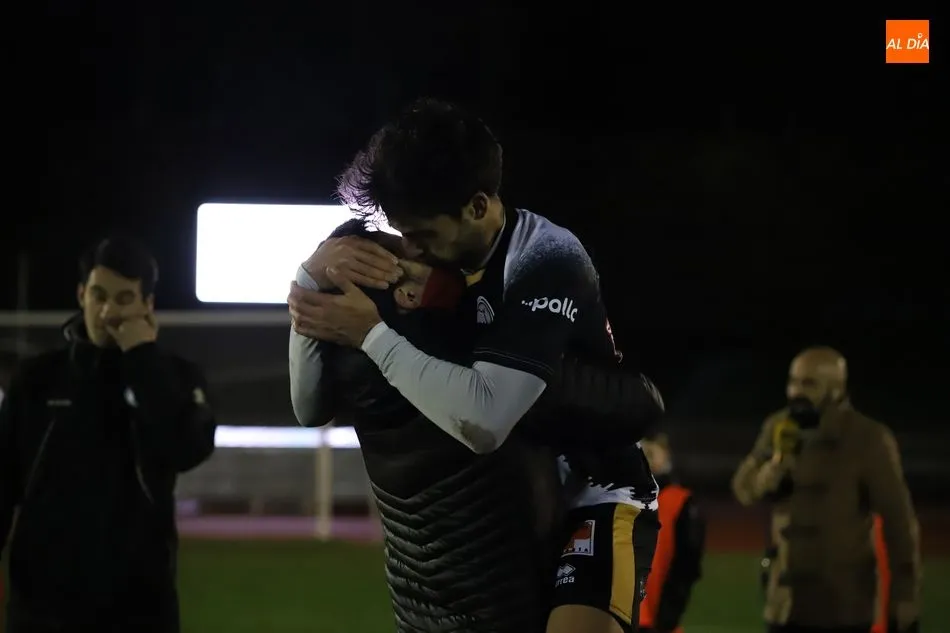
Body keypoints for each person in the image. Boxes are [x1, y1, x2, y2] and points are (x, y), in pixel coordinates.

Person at [288, 98, 660, 633]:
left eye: (422, 233)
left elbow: (485, 421)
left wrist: (369, 333)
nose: (409, 247)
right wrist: (308, 280)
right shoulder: (407, 254)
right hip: (508, 508)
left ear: (478, 206)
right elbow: (308, 407)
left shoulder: (544, 258)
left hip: (595, 489)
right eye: (399, 229)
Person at [0, 236, 217, 633]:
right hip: (40, 608)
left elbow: (187, 449)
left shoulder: (178, 377)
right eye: (98, 295)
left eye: (123, 298)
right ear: (81, 294)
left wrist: (142, 359)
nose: (106, 311)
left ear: (147, 305)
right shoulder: (36, 379)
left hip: (139, 607)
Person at [731, 346, 920, 633]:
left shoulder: (868, 438)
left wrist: (905, 594)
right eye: (792, 381)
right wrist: (772, 470)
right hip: (785, 603)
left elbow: (899, 521)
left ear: (836, 389)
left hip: (843, 606)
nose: (796, 391)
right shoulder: (777, 426)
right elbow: (743, 490)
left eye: (809, 383)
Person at [637, 432, 705, 633]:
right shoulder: (620, 496)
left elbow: (688, 563)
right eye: (644, 451)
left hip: (659, 615)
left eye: (653, 451)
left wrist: (671, 608)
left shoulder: (680, 500)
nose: (648, 457)